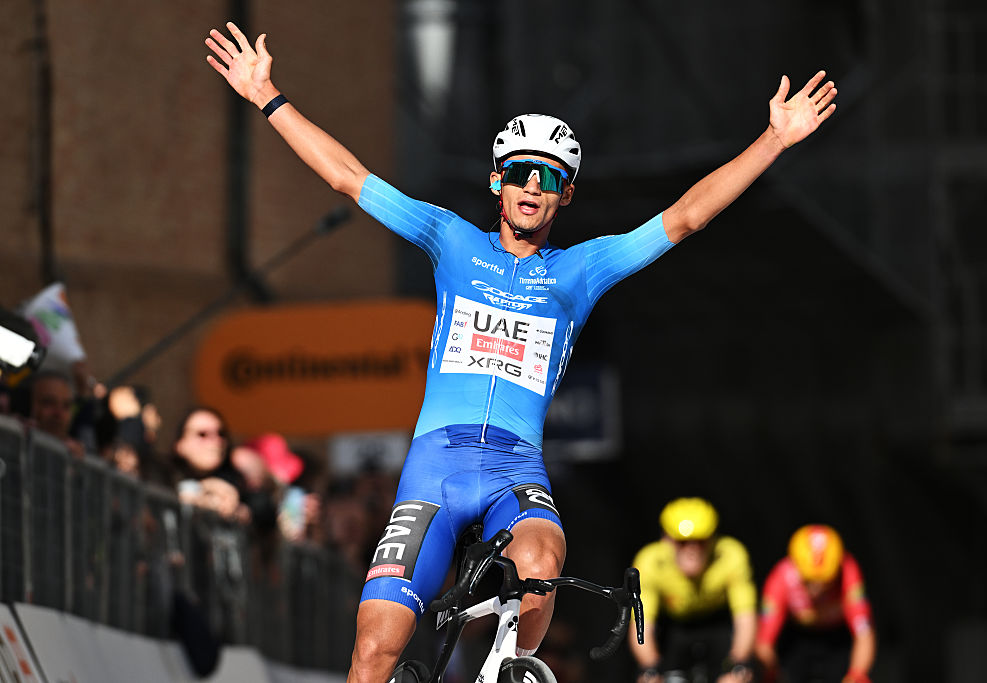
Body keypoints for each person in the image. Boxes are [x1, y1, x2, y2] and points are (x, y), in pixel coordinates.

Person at [204, 21, 838, 682]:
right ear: (496, 181)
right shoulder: (451, 239)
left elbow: (685, 217)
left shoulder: (580, 270)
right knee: (372, 650)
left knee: (538, 567)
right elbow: (349, 178)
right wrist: (268, 96)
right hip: (434, 470)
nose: (532, 185)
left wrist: (773, 140)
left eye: (550, 177)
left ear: (565, 194)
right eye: (520, 172)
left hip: (515, 471)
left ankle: (512, 665)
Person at [629, 498, 757, 683]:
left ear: (713, 538)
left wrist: (739, 662)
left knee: (739, 677)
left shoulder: (731, 555)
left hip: (717, 624)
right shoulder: (649, 561)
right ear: (666, 539)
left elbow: (745, 617)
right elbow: (641, 624)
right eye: (682, 542)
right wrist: (650, 667)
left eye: (700, 541)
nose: (692, 550)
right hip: (673, 627)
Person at [755, 525, 876, 683]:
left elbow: (864, 632)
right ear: (795, 565)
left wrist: (857, 676)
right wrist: (772, 675)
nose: (816, 591)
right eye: (808, 582)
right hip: (796, 639)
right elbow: (764, 643)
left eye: (825, 582)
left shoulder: (848, 571)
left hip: (837, 639)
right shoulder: (780, 577)